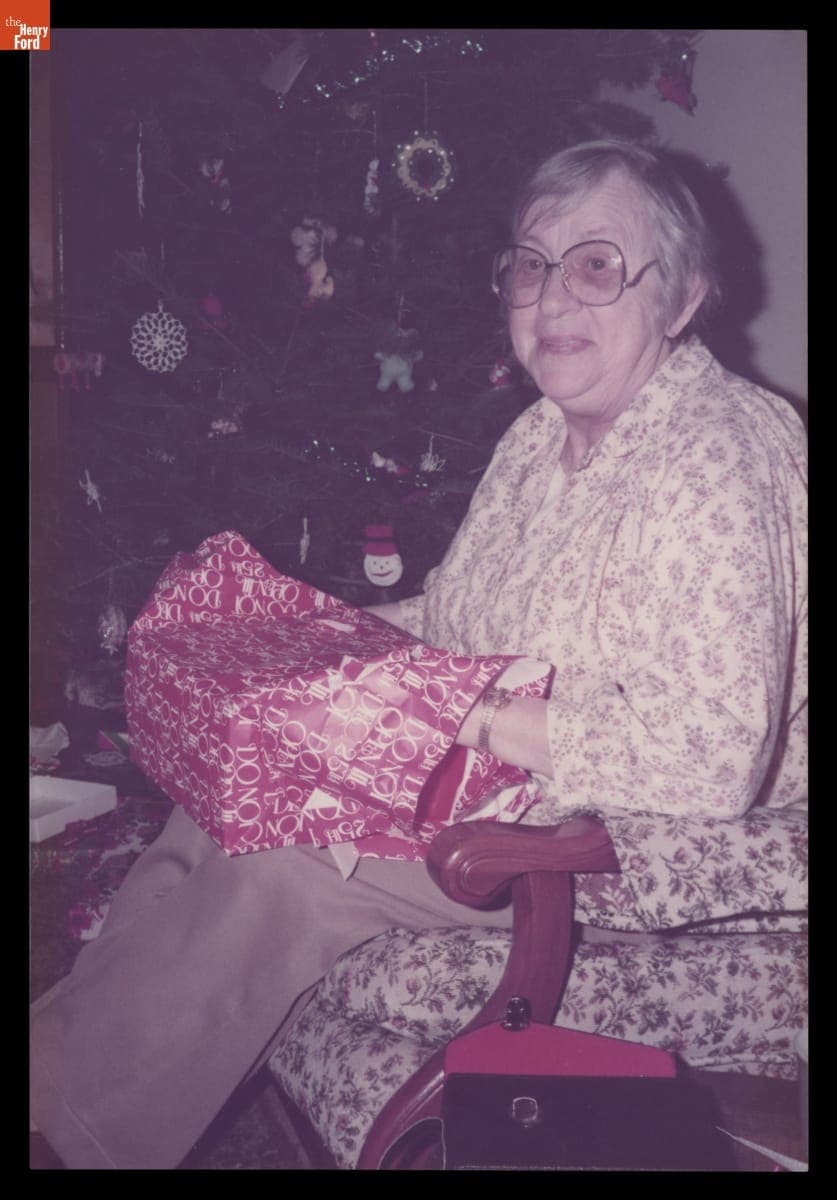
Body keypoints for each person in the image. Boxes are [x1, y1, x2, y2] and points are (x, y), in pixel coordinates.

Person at [30, 140, 807, 1169]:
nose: (552, 297)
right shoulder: (541, 438)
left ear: (683, 298)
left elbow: (707, 761)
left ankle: (69, 1134)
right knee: (238, 785)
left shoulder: (721, 453)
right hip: (483, 770)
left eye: (597, 264)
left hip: (626, 847)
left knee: (291, 858)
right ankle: (53, 1071)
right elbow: (456, 614)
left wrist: (468, 710)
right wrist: (296, 640)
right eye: (531, 265)